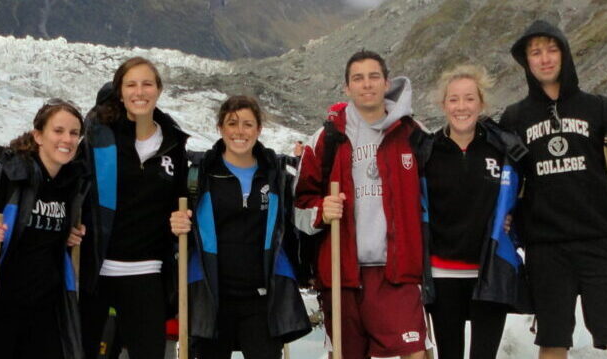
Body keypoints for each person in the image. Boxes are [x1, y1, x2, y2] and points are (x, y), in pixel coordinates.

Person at [497, 20, 607, 359]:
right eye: (536, 52)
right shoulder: (514, 118)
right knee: (553, 341)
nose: (545, 59)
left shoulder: (601, 109)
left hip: (599, 239)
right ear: (526, 62)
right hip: (545, 247)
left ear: (565, 53)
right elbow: (505, 180)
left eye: (551, 49)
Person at [292, 50, 429, 359]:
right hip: (343, 273)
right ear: (346, 88)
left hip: (397, 271)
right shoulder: (327, 138)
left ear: (386, 82)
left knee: (414, 353)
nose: (366, 85)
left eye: (373, 77)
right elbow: (298, 207)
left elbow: (437, 196)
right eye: (358, 78)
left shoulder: (412, 133)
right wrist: (320, 212)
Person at [0, 99, 90, 358]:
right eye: (58, 131)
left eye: (74, 133)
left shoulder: (71, 183)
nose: (67, 139)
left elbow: (40, 233)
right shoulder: (7, 174)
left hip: (45, 309)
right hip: (2, 305)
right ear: (38, 136)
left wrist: (64, 236)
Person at [168, 96, 311, 358]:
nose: (240, 132)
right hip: (212, 296)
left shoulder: (274, 174)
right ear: (220, 128)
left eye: (248, 124)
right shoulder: (200, 174)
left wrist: (303, 272)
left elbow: (292, 229)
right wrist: (176, 223)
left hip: (261, 298)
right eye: (232, 123)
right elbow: (177, 223)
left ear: (258, 129)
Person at [79, 57, 190, 359]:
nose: (139, 92)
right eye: (131, 85)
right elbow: (73, 187)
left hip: (147, 274)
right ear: (120, 91)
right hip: (97, 273)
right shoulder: (100, 136)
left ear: (158, 90)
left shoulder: (173, 144)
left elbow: (180, 200)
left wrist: (182, 219)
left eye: (147, 84)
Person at [415, 64, 526, 359]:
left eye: (469, 98)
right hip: (442, 273)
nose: (461, 107)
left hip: (490, 269)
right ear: (443, 104)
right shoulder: (426, 151)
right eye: (453, 99)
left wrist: (514, 225)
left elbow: (527, 195)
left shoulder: (502, 148)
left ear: (481, 103)